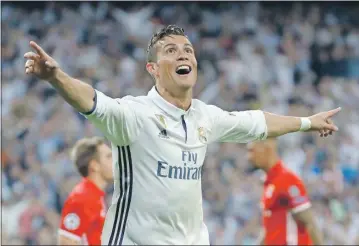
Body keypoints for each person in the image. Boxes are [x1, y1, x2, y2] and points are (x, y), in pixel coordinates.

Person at [24, 25, 340, 245]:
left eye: (188, 50)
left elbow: (257, 122)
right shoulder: (135, 114)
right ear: (153, 68)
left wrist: (307, 122)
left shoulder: (205, 116)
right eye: (171, 51)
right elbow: (93, 101)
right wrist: (56, 77)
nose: (183, 55)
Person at [247, 138, 323, 245]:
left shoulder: (287, 180)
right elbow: (270, 229)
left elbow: (309, 223)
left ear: (267, 149)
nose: (249, 157)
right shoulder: (268, 184)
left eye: (252, 151)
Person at [58, 137, 113, 245]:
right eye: (108, 157)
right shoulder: (81, 199)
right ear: (94, 165)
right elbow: (66, 242)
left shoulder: (95, 195)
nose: (115, 161)